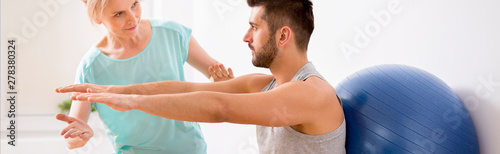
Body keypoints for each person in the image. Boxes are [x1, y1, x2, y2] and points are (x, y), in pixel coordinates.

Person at [56, 0, 346, 153]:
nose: (245, 37)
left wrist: (131, 101)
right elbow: (186, 88)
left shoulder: (311, 93)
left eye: (254, 27)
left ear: (283, 35)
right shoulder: (265, 84)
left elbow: (220, 108)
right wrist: (112, 90)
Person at [55, 0, 234, 153]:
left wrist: (223, 83)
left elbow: (220, 81)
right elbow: (72, 138)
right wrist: (79, 136)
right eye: (119, 14)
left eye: (134, 4)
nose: (132, 18)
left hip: (190, 149)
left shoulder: (173, 34)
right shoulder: (91, 66)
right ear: (98, 18)